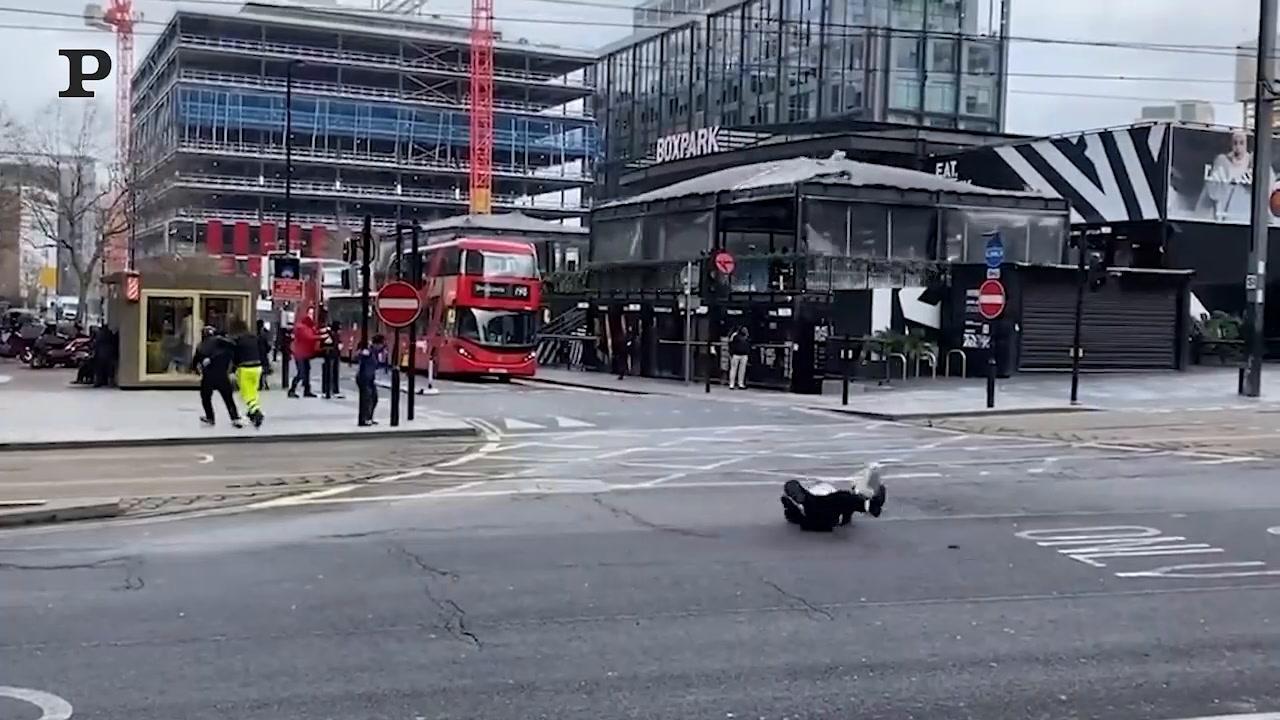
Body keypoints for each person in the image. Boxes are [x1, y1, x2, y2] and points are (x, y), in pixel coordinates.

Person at [192, 325, 241, 428]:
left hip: (208, 376)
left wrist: (198, 369)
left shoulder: (200, 346)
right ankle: (235, 417)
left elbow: (194, 363)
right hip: (222, 375)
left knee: (205, 398)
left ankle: (210, 417)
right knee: (228, 398)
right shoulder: (221, 342)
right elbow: (232, 345)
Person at [229, 317, 265, 428]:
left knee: (246, 393)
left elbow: (234, 356)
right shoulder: (254, 338)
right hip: (258, 367)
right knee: (253, 391)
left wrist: (232, 368)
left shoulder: (237, 340)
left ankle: (256, 412)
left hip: (245, 368)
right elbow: (264, 350)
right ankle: (252, 412)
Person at [288, 312, 320, 398]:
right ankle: (292, 390)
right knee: (301, 373)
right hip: (300, 354)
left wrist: (318, 333)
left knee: (306, 372)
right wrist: (321, 337)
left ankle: (307, 390)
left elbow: (313, 333)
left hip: (305, 354)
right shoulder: (302, 328)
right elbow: (309, 337)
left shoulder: (307, 328)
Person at [357, 334, 384, 426]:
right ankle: (364, 419)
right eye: (381, 345)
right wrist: (362, 352)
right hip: (364, 378)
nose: (382, 347)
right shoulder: (368, 350)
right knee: (366, 399)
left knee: (374, 398)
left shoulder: (376, 352)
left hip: (370, 378)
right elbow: (358, 356)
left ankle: (369, 417)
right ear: (377, 344)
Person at [255, 320, 273, 391]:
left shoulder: (255, 335)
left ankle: (260, 384)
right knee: (264, 370)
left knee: (258, 369)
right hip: (263, 354)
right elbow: (267, 347)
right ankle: (264, 383)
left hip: (256, 355)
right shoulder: (263, 335)